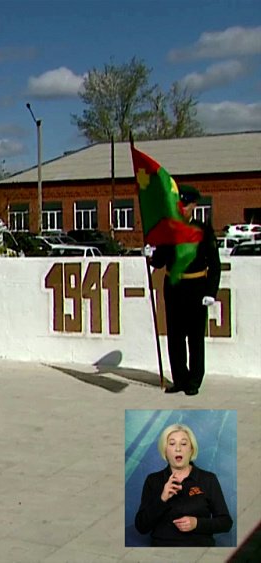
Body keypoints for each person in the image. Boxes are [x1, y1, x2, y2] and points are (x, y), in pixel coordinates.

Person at [147, 185, 221, 396]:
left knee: (195, 338)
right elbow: (161, 261)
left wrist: (210, 292)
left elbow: (214, 264)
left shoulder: (203, 230)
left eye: (185, 205)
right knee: (175, 337)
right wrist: (150, 255)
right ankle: (179, 378)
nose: (182, 209)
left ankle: (194, 381)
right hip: (174, 288)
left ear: (194, 206)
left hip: (196, 288)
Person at [135, 423, 232, 546]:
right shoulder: (153, 480)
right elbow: (141, 527)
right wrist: (162, 499)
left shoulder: (208, 479)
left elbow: (226, 523)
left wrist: (197, 523)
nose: (178, 449)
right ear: (165, 450)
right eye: (172, 443)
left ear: (191, 449)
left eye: (184, 443)